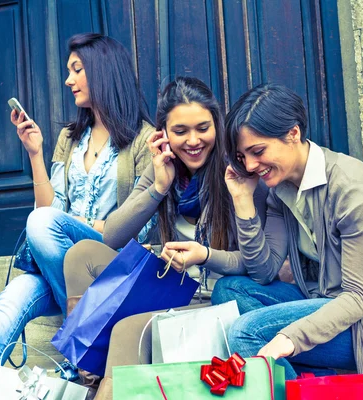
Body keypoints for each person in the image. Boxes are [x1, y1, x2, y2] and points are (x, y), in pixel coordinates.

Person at [0, 33, 154, 399]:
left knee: (42, 224)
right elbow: (49, 212)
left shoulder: (142, 139)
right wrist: (34, 153)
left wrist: (88, 227)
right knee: (6, 308)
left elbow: (143, 220)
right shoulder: (70, 138)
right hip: (62, 263)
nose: (67, 80)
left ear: (103, 72)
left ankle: (83, 334)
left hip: (109, 260)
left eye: (77, 70)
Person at [211, 83, 363, 380]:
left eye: (257, 151)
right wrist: (242, 201)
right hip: (329, 301)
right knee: (229, 291)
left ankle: (299, 376)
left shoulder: (352, 193)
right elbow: (263, 271)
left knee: (246, 332)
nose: (251, 166)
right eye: (243, 157)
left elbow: (357, 299)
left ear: (293, 134)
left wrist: (288, 339)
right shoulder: (279, 189)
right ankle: (306, 381)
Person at [61, 76, 268, 399]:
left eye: (203, 128)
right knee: (81, 255)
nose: (193, 140)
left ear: (217, 124)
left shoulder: (239, 173)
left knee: (129, 329)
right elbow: (113, 236)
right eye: (180, 131)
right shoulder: (164, 168)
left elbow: (257, 264)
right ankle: (85, 373)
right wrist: (158, 187)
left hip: (217, 296)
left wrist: (204, 254)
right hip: (173, 287)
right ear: (164, 134)